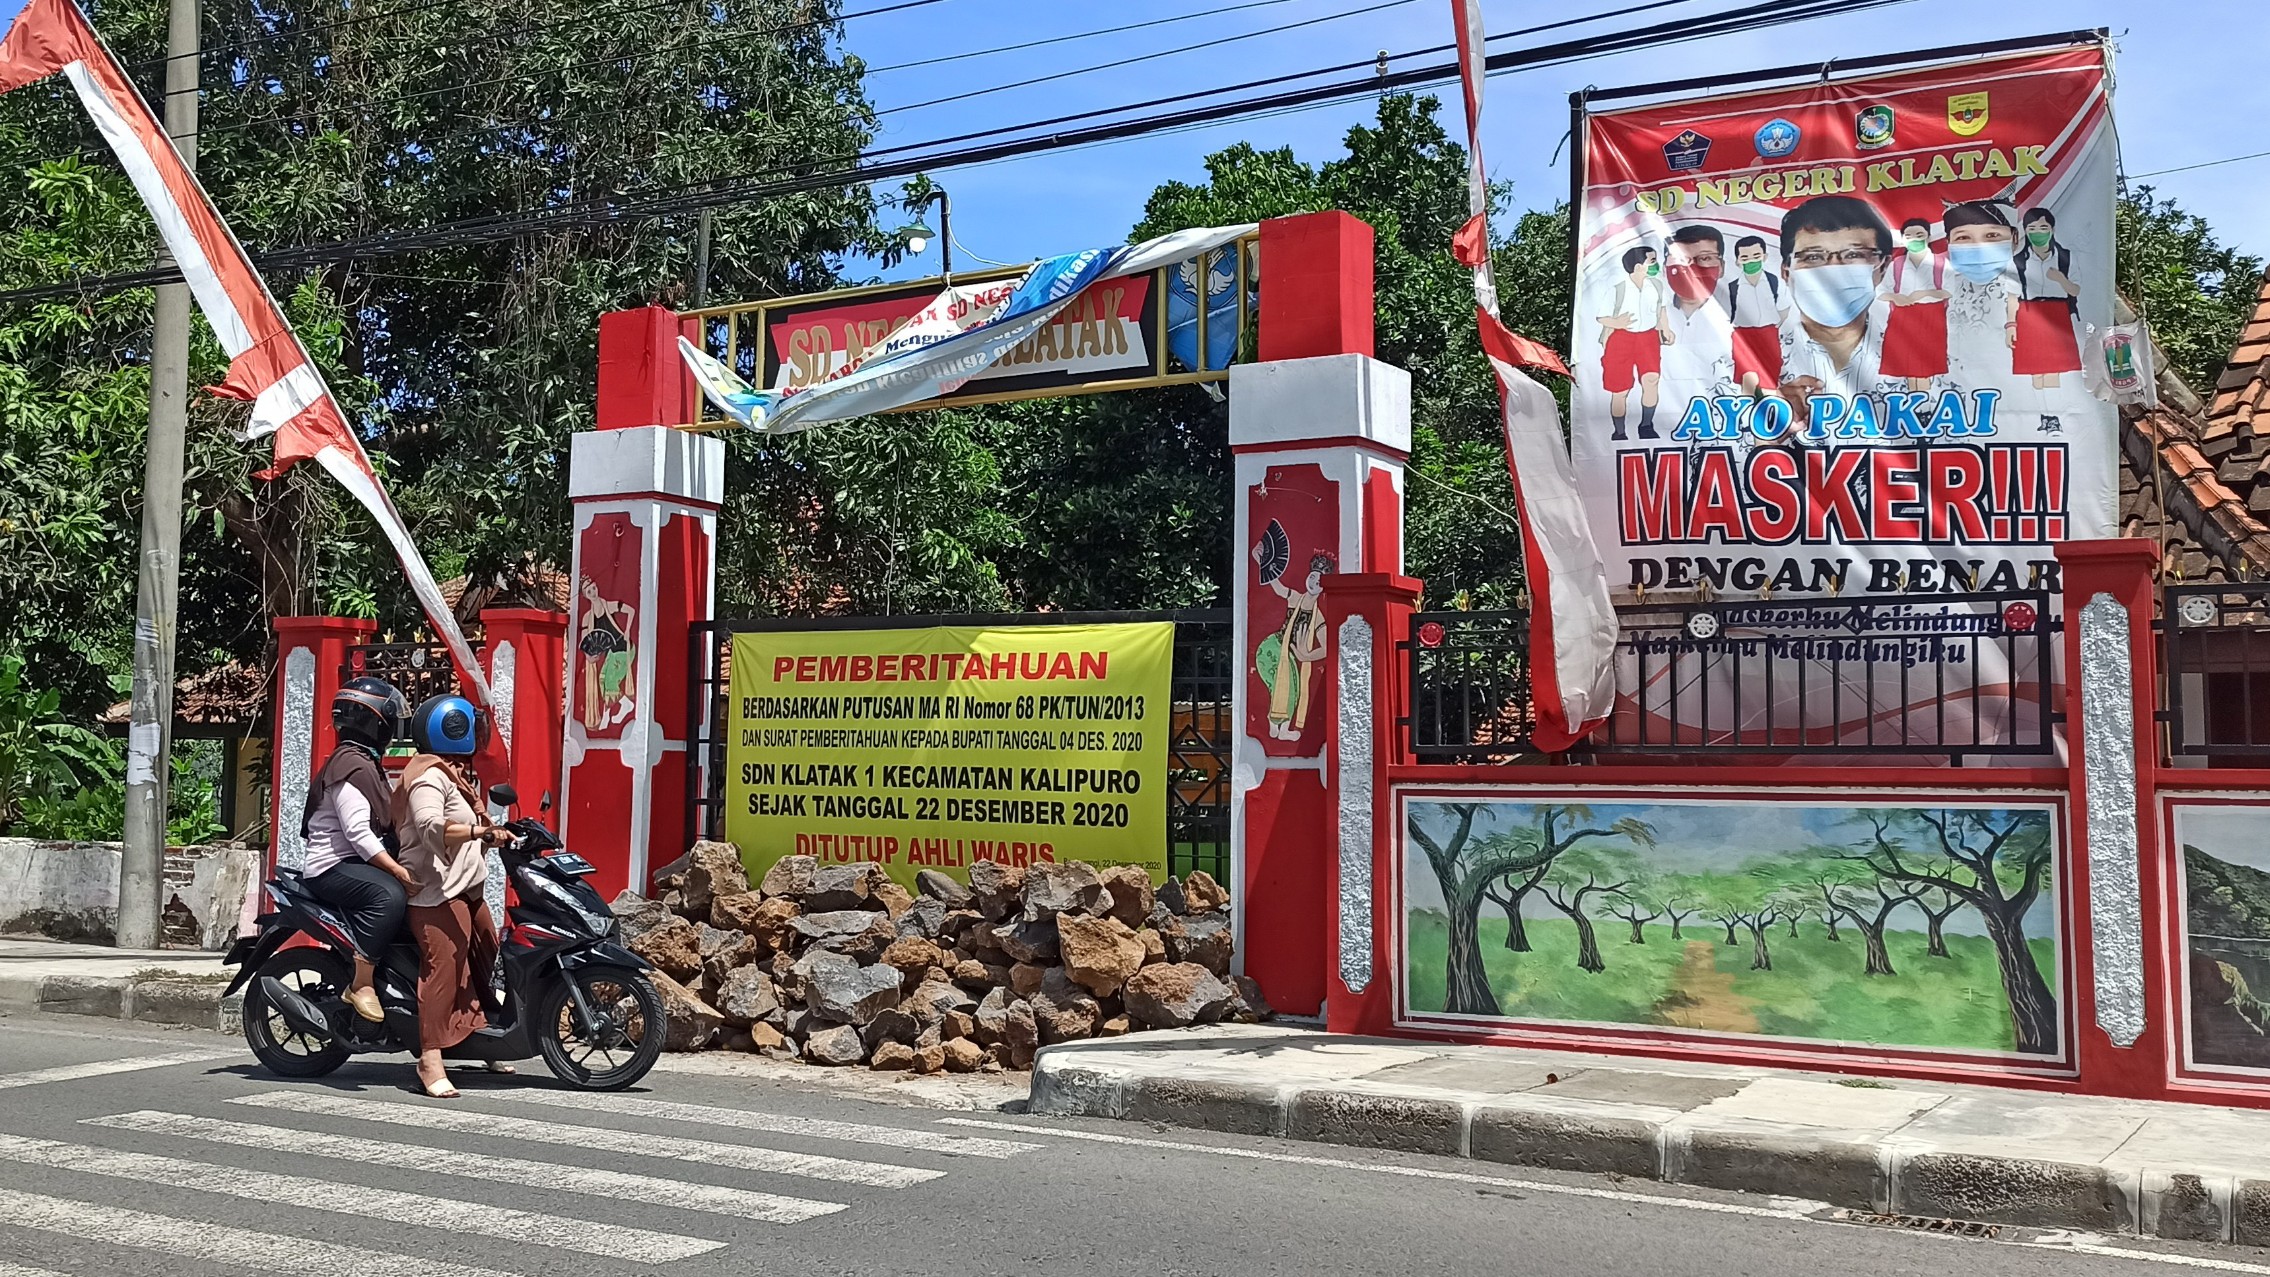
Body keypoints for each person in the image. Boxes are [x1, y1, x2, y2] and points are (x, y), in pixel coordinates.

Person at [394, 694, 511, 1098]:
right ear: (453, 729)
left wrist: (498, 834)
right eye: (471, 727)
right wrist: (478, 833)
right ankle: (429, 1056)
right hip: (435, 891)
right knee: (444, 969)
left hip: (467, 888)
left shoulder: (455, 774)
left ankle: (481, 1038)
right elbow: (429, 826)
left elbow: (473, 825)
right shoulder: (427, 777)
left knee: (487, 957)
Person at [300, 677, 416, 1023]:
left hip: (353, 863)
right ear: (374, 722)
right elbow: (358, 835)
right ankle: (362, 984)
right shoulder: (349, 766)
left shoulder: (365, 763)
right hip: (330, 866)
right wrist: (397, 872)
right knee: (389, 896)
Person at [1776, 195, 1900, 411]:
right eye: (1814, 257)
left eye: (1853, 254)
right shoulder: (1746, 359)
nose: (1832, 271)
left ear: (1882, 267)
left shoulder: (1925, 356)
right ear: (1786, 272)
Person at [1941, 199, 2024, 393]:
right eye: (1963, 238)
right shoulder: (1946, 288)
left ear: (2014, 238)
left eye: (1992, 235)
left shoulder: (2026, 286)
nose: (1978, 246)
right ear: (1949, 243)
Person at [1658, 224, 1734, 418]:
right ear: (1664, 266)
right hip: (1661, 427)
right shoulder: (1648, 318)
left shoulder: (1738, 320)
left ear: (1722, 266)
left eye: (1706, 258)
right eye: (1681, 260)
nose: (1691, 269)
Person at [1597, 244, 1672, 440]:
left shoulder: (1656, 286)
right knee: (1620, 389)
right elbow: (1601, 317)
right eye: (1652, 261)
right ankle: (1619, 431)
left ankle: (1646, 425)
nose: (1656, 265)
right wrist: (1616, 322)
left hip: (1648, 337)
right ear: (1638, 266)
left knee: (1651, 379)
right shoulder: (1618, 290)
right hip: (1621, 339)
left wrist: (1666, 329)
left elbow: (1661, 309)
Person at [2013, 205, 2082, 391]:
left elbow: (2075, 290)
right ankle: (2042, 414)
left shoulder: (2065, 257)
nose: (2038, 233)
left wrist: (2060, 278)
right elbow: (2012, 295)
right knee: (2035, 371)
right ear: (2025, 231)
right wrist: (2011, 325)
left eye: (2043, 228)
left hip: (2057, 313)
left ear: (2052, 230)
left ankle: (2053, 414)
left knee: (2054, 369)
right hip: (2029, 313)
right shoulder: (2018, 260)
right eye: (2032, 229)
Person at [1879, 217, 1951, 391]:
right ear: (1903, 239)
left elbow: (1948, 291)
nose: (1915, 239)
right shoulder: (1897, 264)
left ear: (1928, 236)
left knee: (1926, 363)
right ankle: (1915, 400)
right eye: (1909, 235)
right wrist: (1896, 298)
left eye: (1919, 234)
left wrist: (1925, 293)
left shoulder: (1940, 263)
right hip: (1903, 315)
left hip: (1931, 315)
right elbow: (1881, 291)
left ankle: (1925, 402)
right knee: (1907, 362)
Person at [1719, 235, 1788, 399]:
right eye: (1745, 257)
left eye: (1756, 256)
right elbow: (1724, 313)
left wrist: (1773, 327)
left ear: (1764, 257)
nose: (1751, 261)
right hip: (1743, 335)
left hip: (1768, 334)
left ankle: (1772, 418)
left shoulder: (1774, 282)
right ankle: (1747, 418)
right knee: (1748, 377)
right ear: (1737, 261)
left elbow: (1784, 309)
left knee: (1769, 379)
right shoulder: (1732, 287)